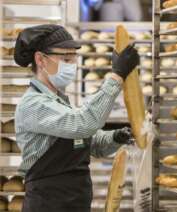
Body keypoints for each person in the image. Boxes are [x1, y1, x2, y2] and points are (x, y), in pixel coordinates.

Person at [13, 24, 139, 212]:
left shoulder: (60, 101)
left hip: (75, 203)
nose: (72, 65)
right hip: (48, 205)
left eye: (73, 59)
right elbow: (82, 124)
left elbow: (88, 143)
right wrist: (116, 76)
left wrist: (114, 138)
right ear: (40, 59)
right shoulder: (33, 104)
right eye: (66, 59)